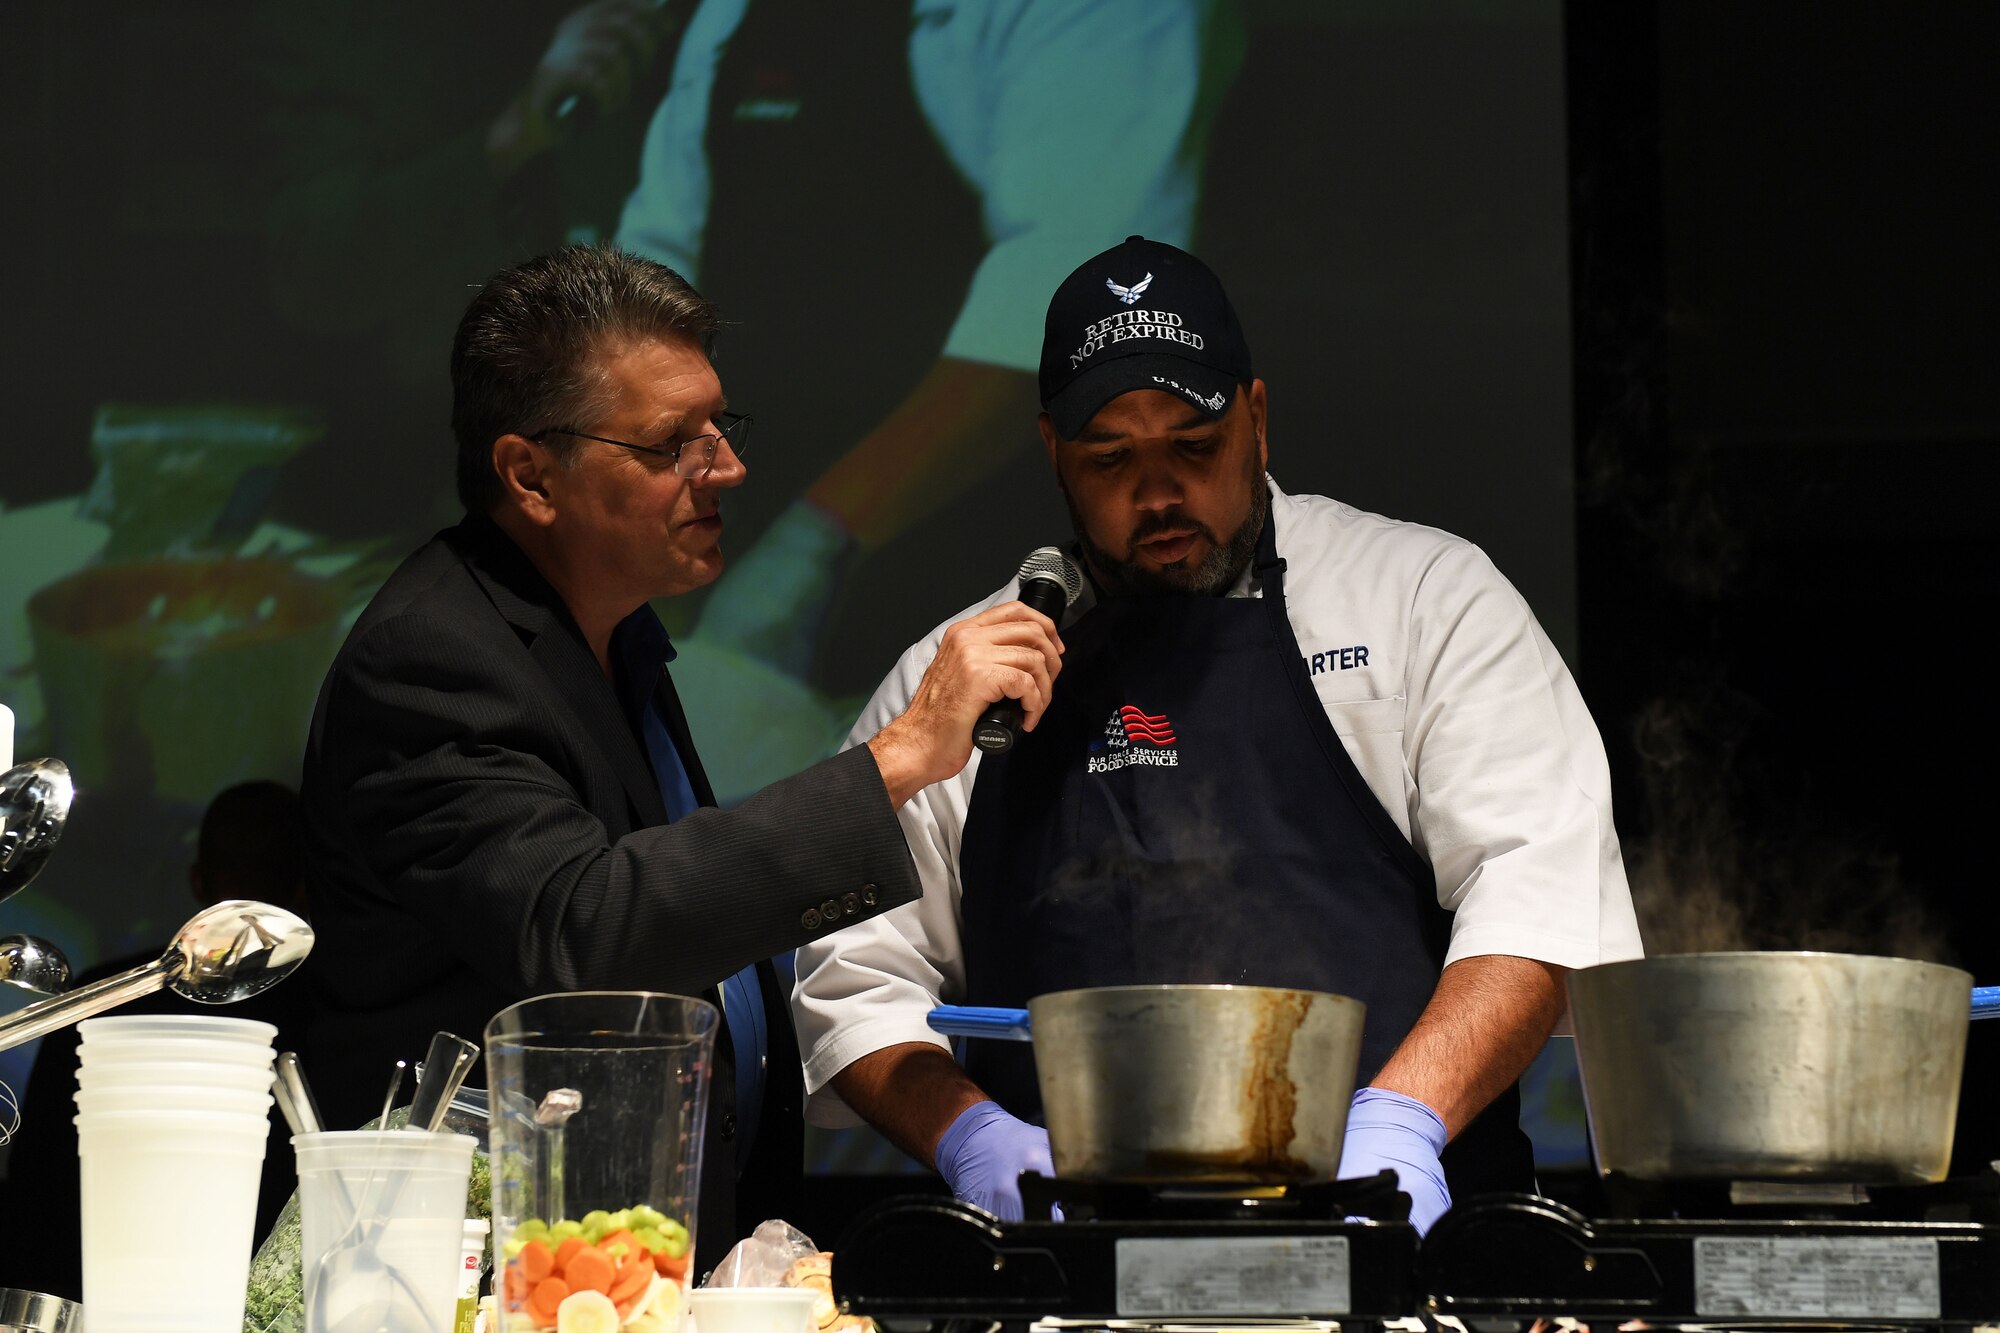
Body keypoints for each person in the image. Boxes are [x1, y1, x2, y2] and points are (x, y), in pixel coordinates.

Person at [792, 236, 1645, 1232]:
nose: (1156, 492)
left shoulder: (1422, 601)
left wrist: (1402, 1122)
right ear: (1051, 454)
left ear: (1256, 418)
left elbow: (1537, 901)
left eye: (1191, 446)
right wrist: (972, 1139)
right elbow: (855, 975)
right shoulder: (958, 679)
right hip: (1070, 1255)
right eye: (1109, 458)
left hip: (1395, 1241)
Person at [297, 244, 1064, 1257]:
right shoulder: (431, 658)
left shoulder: (611, 632)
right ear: (530, 473)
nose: (727, 467)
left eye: (719, 426)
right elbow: (585, 933)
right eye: (671, 443)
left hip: (652, 1244)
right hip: (494, 1271)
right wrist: (902, 754)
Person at [487, 0, 1246, 801]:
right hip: (746, 564)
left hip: (1006, 580)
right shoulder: (734, 20)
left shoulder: (1100, 16)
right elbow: (653, 277)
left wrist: (808, 553)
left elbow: (1066, 312)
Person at [0, 779, 313, 1299]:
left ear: (196, 884)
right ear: (304, 888)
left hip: (91, 1289)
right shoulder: (328, 1012)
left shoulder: (100, 998)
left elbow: (37, 1185)